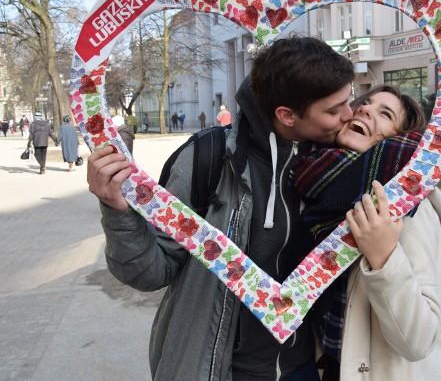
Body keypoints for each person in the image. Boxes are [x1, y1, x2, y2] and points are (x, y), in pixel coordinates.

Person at [86, 36, 355, 380]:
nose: (349, 115)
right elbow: (150, 271)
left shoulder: (341, 164)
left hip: (304, 368)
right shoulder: (207, 160)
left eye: (348, 100)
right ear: (286, 115)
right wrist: (117, 211)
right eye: (334, 110)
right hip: (218, 370)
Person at [288, 85, 441, 380]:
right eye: (365, 103)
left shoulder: (408, 207)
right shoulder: (320, 183)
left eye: (385, 113)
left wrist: (384, 256)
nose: (365, 109)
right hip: (331, 366)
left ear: (399, 138)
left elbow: (420, 341)